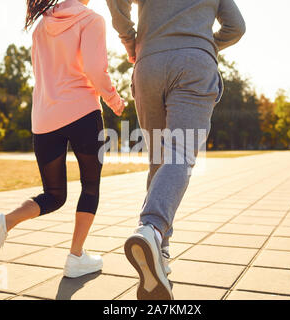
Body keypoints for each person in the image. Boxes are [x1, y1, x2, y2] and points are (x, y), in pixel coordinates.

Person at [0, 0, 125, 278]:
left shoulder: (41, 25)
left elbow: (39, 74)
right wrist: (114, 100)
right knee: (90, 186)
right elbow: (94, 68)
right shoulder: (91, 19)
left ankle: (2, 222)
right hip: (82, 113)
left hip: (44, 119)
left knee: (53, 195)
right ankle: (76, 257)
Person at [107, 0, 245, 299]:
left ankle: (160, 261)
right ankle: (152, 229)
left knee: (159, 161)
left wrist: (131, 41)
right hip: (195, 63)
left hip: (149, 63)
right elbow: (236, 27)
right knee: (179, 155)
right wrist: (205, 44)